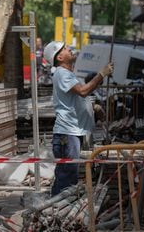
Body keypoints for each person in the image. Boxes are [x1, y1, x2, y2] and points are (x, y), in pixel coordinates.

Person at [43, 41, 114, 196]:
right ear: (60, 57)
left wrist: (92, 109)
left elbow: (78, 98)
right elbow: (83, 91)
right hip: (67, 134)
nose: (70, 49)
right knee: (67, 177)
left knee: (66, 176)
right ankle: (57, 211)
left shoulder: (68, 74)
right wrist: (101, 74)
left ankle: (55, 209)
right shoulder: (62, 73)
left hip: (71, 133)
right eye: (66, 49)